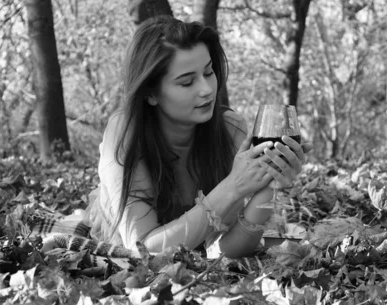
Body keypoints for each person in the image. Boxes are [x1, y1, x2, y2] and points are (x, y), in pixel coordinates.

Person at [85, 15, 309, 258]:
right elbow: (144, 251)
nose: (206, 89)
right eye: (187, 82)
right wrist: (233, 186)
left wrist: (269, 185)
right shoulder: (125, 135)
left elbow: (225, 251)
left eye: (209, 72)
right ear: (151, 93)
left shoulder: (230, 129)